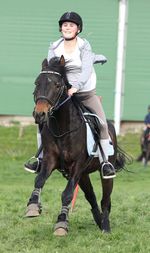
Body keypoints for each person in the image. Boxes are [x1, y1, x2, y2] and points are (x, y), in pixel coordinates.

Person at [24, 11, 116, 179]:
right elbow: (52, 69)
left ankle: (105, 163)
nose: (67, 27)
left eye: (71, 25)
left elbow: (87, 69)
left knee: (102, 124)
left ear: (78, 29)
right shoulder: (54, 47)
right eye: (65, 25)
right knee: (42, 120)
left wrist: (76, 86)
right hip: (64, 94)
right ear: (61, 29)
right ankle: (41, 158)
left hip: (84, 92)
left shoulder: (84, 46)